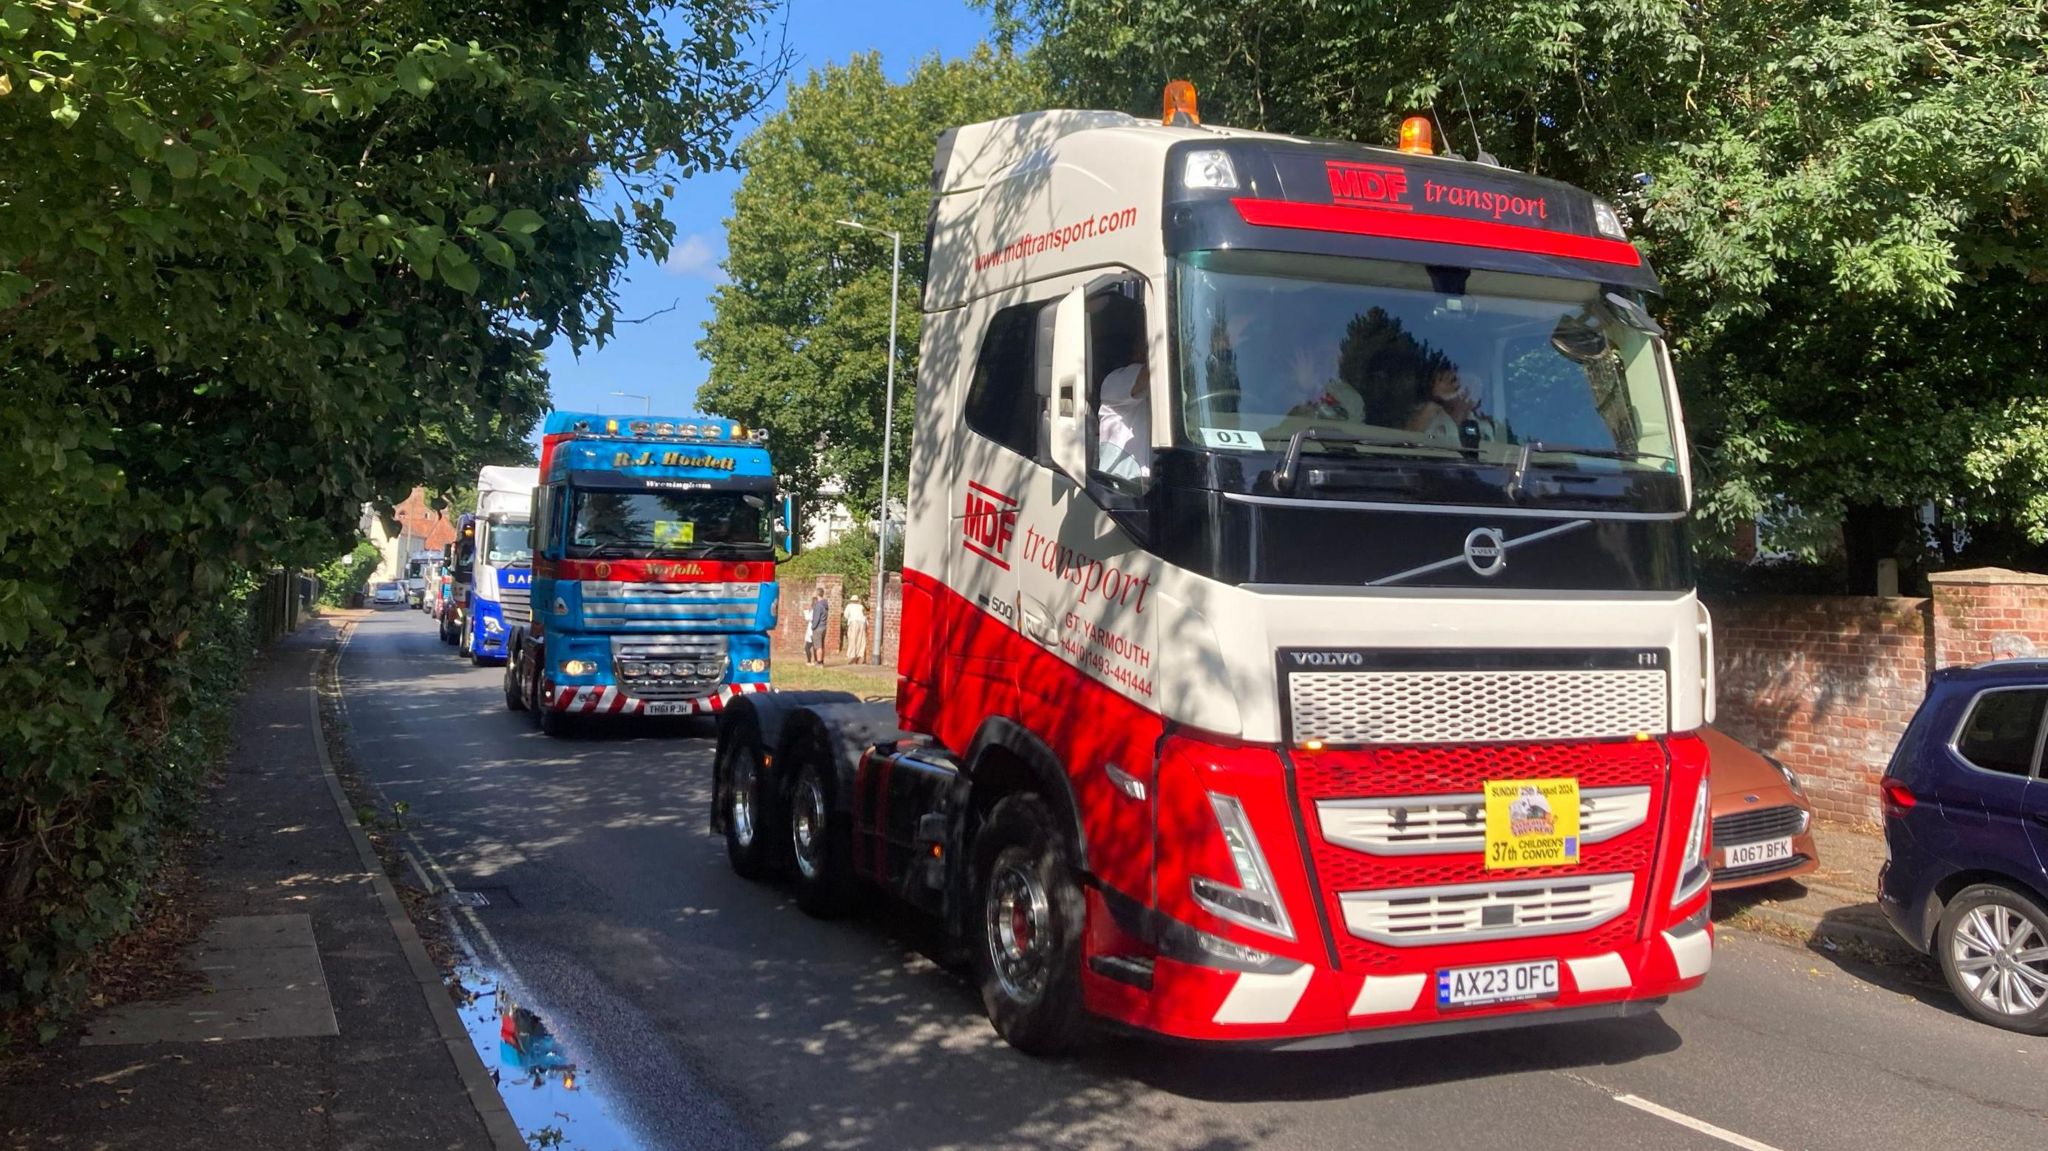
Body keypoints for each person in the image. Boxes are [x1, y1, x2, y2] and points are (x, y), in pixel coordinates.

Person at [1097, 325, 1151, 481]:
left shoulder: (1160, 393)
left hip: (1148, 485)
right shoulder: (1114, 381)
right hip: (1120, 483)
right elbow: (1151, 372)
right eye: (1148, 348)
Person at [1406, 364, 1482, 443]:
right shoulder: (1426, 412)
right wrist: (1432, 405)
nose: (1454, 385)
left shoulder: (1476, 424)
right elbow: (1408, 439)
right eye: (1441, 379)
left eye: (1454, 380)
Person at [804, 589, 830, 665]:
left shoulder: (818, 605)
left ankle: (819, 662)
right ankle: (821, 661)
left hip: (818, 627)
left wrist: (813, 627)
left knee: (818, 646)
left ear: (817, 594)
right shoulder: (825, 604)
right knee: (822, 646)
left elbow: (816, 618)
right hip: (823, 626)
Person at [843, 595, 869, 664]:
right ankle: (860, 655)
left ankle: (852, 656)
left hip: (854, 622)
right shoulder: (861, 606)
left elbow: (846, 615)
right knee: (861, 639)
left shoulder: (849, 606)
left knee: (852, 638)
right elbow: (864, 615)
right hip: (862, 622)